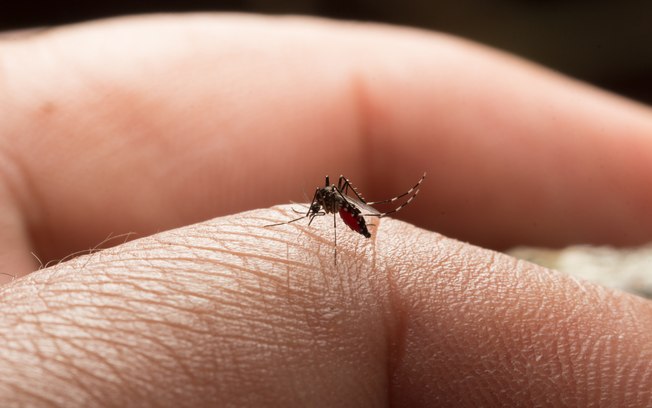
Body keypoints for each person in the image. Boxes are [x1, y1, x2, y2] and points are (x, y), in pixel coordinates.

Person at [1, 13, 651, 406]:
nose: (325, 203)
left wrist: (353, 216)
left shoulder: (334, 204)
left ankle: (370, 214)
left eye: (329, 203)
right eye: (331, 203)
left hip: (355, 218)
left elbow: (334, 203)